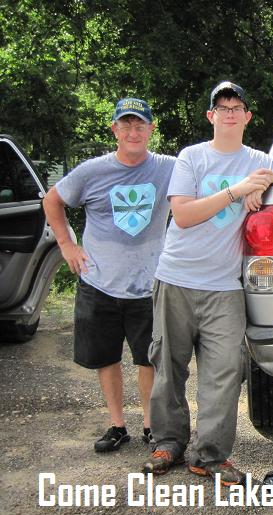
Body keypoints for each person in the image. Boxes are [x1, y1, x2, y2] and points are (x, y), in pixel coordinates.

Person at [142, 81, 273, 485]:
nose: (230, 113)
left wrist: (272, 178)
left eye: (237, 106)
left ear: (247, 116)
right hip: (177, 279)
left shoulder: (259, 159)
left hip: (225, 287)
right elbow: (184, 215)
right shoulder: (192, 158)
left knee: (224, 373)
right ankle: (168, 443)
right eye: (222, 107)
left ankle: (211, 455)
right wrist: (238, 192)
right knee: (168, 366)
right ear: (211, 116)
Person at [42, 98, 175, 452]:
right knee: (106, 357)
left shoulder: (168, 168)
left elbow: (210, 174)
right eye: (126, 125)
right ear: (114, 129)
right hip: (99, 282)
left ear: (151, 129)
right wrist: (67, 245)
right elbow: (52, 201)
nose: (133, 132)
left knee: (148, 358)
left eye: (140, 125)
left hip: (149, 283)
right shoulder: (91, 171)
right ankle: (117, 425)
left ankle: (150, 425)